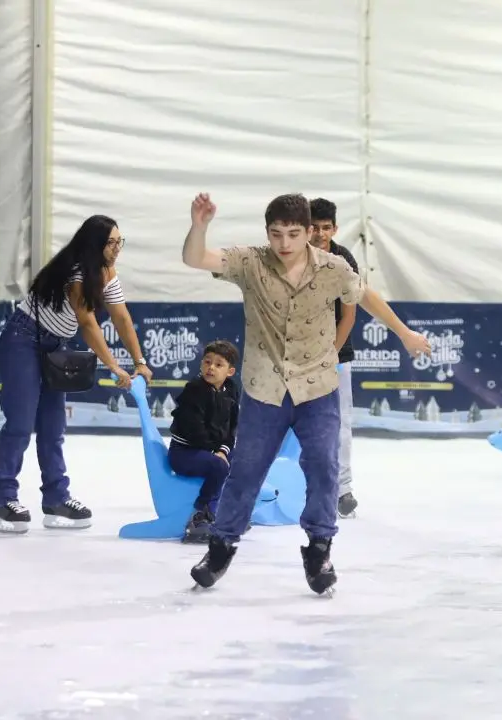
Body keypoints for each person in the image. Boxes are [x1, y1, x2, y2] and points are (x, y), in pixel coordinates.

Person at [181, 192, 431, 594]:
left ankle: (319, 549)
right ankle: (221, 545)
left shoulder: (332, 267)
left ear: (309, 232)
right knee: (245, 471)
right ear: (267, 232)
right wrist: (200, 226)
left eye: (294, 234)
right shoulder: (251, 262)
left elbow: (364, 294)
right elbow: (196, 259)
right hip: (266, 388)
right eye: (276, 234)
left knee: (323, 468)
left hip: (317, 387)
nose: (284, 244)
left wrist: (404, 334)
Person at [0, 215, 152, 534]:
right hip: (23, 340)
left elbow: (121, 317)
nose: (117, 248)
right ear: (95, 244)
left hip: (54, 346)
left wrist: (140, 359)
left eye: (120, 241)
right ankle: (3, 500)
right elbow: (89, 324)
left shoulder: (107, 274)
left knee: (54, 426)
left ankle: (56, 500)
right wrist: (115, 366)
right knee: (21, 424)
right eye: (111, 242)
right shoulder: (76, 270)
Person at [308, 197, 362, 518]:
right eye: (314, 227)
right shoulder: (293, 256)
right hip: (297, 357)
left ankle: (343, 490)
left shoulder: (345, 259)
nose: (320, 233)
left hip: (336, 356)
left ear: (335, 228)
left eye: (326, 228)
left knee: (341, 423)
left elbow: (349, 317)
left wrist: (330, 355)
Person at [168, 340, 241, 543]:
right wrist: (215, 453)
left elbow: (232, 427)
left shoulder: (231, 391)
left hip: (211, 449)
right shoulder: (194, 390)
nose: (211, 367)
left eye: (218, 364)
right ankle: (201, 515)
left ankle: (226, 510)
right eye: (207, 362)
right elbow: (194, 430)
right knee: (218, 466)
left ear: (230, 371)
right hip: (184, 453)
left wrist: (224, 450)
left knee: (241, 460)